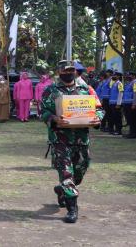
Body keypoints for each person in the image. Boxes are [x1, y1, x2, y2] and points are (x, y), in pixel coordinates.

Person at [40, 61, 103, 223]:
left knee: (81, 170)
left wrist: (98, 119)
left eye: (71, 70)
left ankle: (62, 190)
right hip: (60, 139)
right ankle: (72, 208)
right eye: (65, 71)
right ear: (59, 72)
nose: (68, 73)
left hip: (81, 139)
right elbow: (44, 112)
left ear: (75, 72)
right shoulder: (51, 90)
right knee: (66, 172)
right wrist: (54, 118)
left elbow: (99, 109)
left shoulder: (87, 90)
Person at [122, 72, 136, 138]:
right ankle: (131, 132)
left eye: (129, 75)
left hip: (131, 104)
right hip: (126, 103)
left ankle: (133, 134)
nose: (128, 76)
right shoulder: (128, 83)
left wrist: (134, 103)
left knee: (132, 120)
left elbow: (135, 94)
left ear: (133, 76)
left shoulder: (134, 82)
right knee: (129, 120)